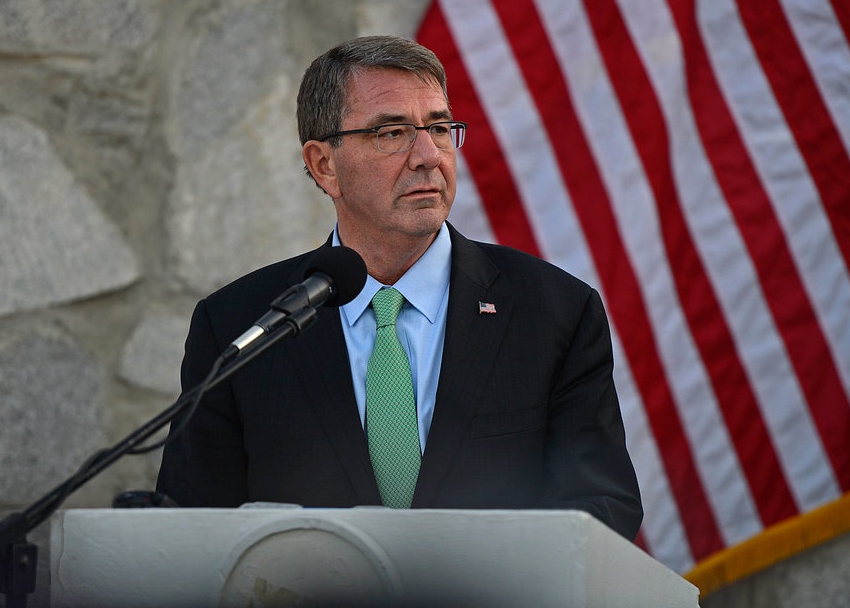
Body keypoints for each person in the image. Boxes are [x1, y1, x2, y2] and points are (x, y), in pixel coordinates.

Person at [156, 35, 643, 540]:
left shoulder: (555, 311)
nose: (429, 156)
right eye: (392, 132)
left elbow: (603, 511)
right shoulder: (239, 325)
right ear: (325, 165)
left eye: (439, 127)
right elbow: (194, 530)